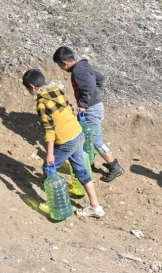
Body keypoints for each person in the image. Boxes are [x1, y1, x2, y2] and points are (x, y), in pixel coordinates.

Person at [22, 69, 104, 218]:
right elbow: (69, 109)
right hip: (78, 133)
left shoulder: (42, 103)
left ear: (33, 87)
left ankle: (52, 204)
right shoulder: (56, 90)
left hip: (66, 141)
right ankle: (95, 206)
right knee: (81, 169)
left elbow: (49, 130)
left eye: (28, 89)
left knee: (48, 168)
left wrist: (50, 153)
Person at [52, 47, 125, 182]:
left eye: (59, 65)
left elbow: (88, 89)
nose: (61, 68)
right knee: (87, 137)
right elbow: (100, 79)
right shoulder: (84, 66)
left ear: (64, 63)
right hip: (95, 106)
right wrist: (94, 94)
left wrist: (83, 104)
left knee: (96, 140)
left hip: (91, 109)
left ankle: (114, 166)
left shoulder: (77, 71)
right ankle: (88, 163)